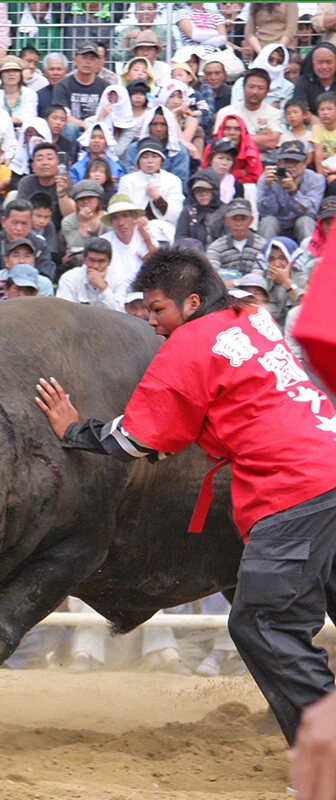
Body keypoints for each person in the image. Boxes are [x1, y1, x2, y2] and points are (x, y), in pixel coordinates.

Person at [35, 245, 336, 749]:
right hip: (326, 463)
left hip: (294, 488)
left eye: (157, 309)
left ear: (192, 303)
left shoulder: (190, 343)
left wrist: (75, 429)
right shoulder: (253, 316)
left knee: (263, 624)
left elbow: (141, 437)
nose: (149, 320)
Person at [259, 139, 324, 242]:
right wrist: (268, 188)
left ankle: (310, 256)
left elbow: (311, 212)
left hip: (301, 223)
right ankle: (265, 256)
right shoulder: (267, 178)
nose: (290, 166)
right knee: (268, 221)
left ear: (304, 163)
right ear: (278, 163)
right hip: (277, 222)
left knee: (305, 221)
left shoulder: (316, 179)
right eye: (286, 161)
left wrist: (293, 191)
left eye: (295, 162)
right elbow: (265, 213)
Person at [102, 192, 162, 286]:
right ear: (111, 222)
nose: (121, 222)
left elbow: (160, 270)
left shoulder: (147, 238)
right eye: (116, 218)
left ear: (134, 218)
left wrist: (148, 241)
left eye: (125, 216)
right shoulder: (104, 242)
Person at [55, 237, 126, 311]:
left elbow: (120, 312)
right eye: (91, 260)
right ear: (84, 260)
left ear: (109, 262)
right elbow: (63, 309)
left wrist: (103, 288)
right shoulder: (69, 278)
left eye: (101, 261)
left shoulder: (119, 279)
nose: (95, 266)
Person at [207, 198, 267, 278]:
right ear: (226, 220)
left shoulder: (263, 246)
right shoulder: (215, 248)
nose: (238, 224)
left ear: (251, 220)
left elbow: (258, 278)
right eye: (234, 219)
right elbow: (213, 278)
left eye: (243, 219)